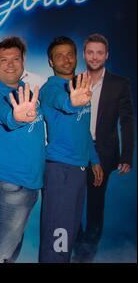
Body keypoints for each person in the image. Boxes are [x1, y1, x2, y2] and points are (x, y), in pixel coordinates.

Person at [0, 37, 45, 263]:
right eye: (3, 60)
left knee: (8, 254)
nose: (10, 64)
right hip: (8, 184)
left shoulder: (26, 91)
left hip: (27, 182)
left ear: (23, 61)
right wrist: (13, 117)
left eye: (16, 58)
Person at [39, 36, 104, 263]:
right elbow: (62, 102)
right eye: (59, 56)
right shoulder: (50, 89)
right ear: (51, 61)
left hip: (78, 170)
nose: (66, 60)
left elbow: (83, 129)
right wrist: (72, 102)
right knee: (58, 234)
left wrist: (94, 159)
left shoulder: (80, 86)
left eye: (70, 54)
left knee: (70, 231)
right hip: (60, 171)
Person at [73, 33, 135, 262]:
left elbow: (127, 121)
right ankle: (76, 247)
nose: (95, 57)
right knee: (73, 204)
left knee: (95, 207)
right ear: (84, 54)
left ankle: (87, 254)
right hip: (77, 152)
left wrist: (127, 155)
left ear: (106, 55)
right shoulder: (75, 81)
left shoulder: (120, 84)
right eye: (90, 52)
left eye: (100, 52)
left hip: (105, 153)